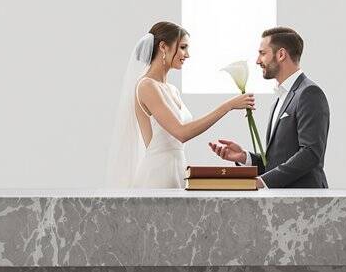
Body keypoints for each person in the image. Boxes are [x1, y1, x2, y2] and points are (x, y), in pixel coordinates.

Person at [106, 21, 255, 188]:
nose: (187, 54)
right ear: (163, 47)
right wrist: (228, 106)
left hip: (178, 169)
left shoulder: (172, 90)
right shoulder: (146, 86)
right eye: (183, 47)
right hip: (158, 174)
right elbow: (181, 133)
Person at [208, 27, 330, 188]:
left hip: (305, 200)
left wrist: (262, 182)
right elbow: (276, 161)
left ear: (281, 54)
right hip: (281, 201)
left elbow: (310, 153)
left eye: (262, 53)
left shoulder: (309, 93)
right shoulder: (280, 100)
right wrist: (244, 157)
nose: (258, 61)